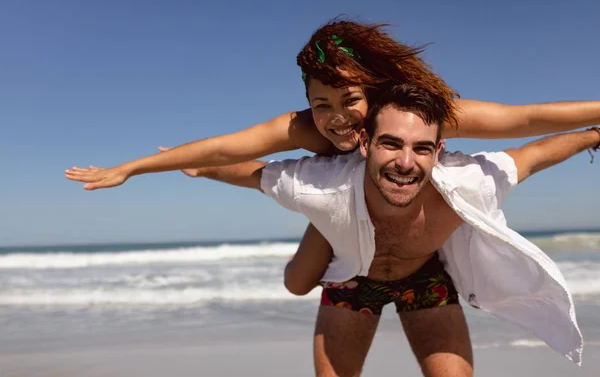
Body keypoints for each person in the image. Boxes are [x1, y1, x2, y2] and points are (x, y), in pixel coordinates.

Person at [65, 19, 600, 297]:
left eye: (350, 101)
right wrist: (131, 168)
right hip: (337, 197)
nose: (338, 118)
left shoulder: (418, 114)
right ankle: (330, 225)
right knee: (298, 282)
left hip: (403, 202)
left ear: (377, 91)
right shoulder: (305, 129)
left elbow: (526, 118)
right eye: (321, 104)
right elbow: (231, 145)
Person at [183, 83, 596, 376]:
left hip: (425, 276)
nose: (404, 161)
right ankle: (325, 232)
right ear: (365, 143)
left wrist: (593, 135)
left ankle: (329, 231)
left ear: (438, 151)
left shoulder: (467, 181)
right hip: (350, 280)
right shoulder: (325, 183)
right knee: (297, 281)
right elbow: (252, 172)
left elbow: (534, 153)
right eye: (391, 144)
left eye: (420, 148)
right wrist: (194, 164)